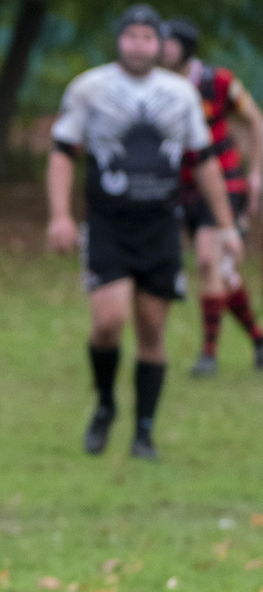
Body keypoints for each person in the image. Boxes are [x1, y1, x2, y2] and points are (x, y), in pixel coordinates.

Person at [48, 5, 240, 460]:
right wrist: (59, 214)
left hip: (160, 227)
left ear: (161, 44)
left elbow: (206, 159)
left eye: (147, 37)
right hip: (108, 225)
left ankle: (144, 433)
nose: (139, 44)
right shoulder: (90, 88)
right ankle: (106, 405)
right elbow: (62, 153)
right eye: (130, 36)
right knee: (109, 323)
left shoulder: (180, 94)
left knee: (153, 329)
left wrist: (226, 225)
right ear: (120, 41)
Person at [161, 18, 263, 376]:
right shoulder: (157, 86)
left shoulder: (217, 81)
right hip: (184, 188)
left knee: (207, 259)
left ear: (185, 47)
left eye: (167, 41)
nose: (160, 47)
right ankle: (258, 339)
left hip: (225, 184)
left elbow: (255, 120)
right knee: (224, 274)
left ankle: (208, 354)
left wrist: (256, 174)